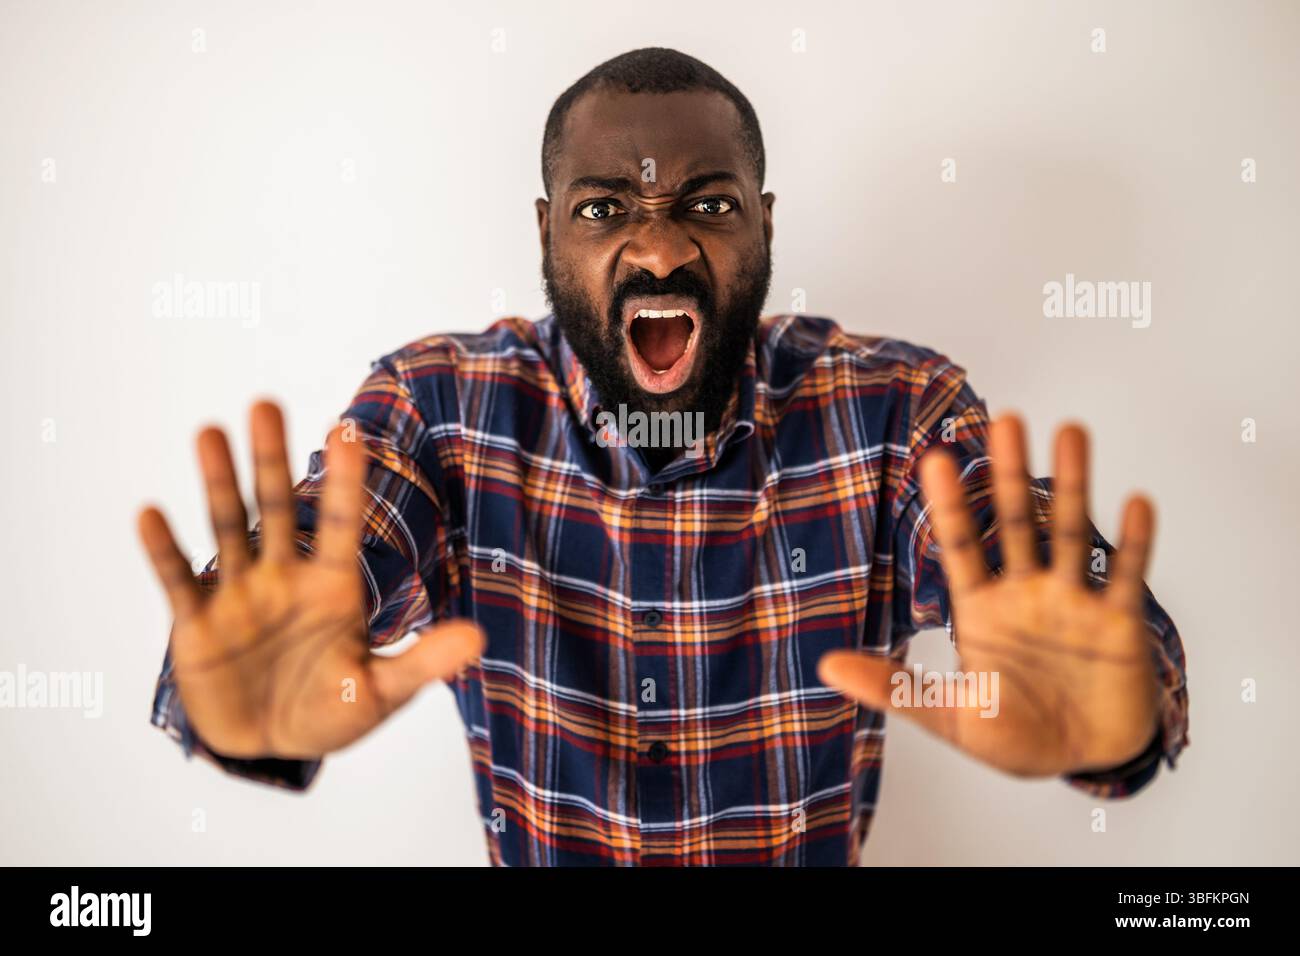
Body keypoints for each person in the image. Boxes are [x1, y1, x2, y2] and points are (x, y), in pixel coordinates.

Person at [140, 47, 1189, 866]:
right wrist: (238, 698)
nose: (658, 248)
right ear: (548, 232)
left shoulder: (892, 408)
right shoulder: (440, 408)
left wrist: (1116, 703)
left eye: (708, 205)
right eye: (606, 209)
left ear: (764, 225)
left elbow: (1030, 551)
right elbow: (315, 555)